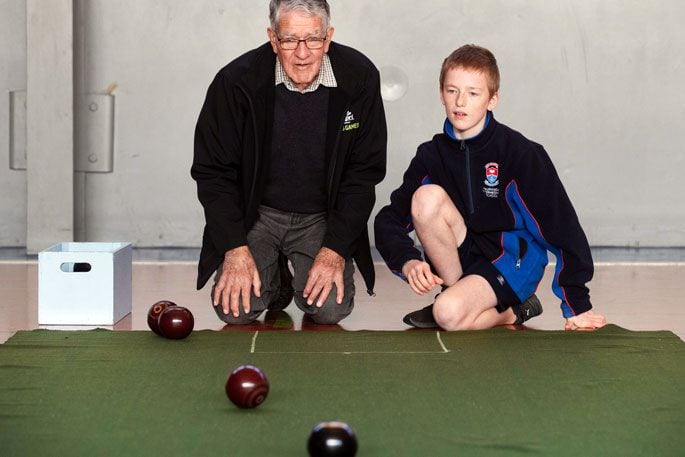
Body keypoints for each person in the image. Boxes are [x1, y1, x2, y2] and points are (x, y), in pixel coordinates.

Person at [374, 44, 606, 331]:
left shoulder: (520, 153)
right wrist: (407, 261)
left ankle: (511, 310)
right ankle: (456, 295)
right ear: (441, 95)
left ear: (492, 99)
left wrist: (576, 303)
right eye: (452, 91)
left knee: (447, 315)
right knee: (425, 197)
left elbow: (562, 227)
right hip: (465, 254)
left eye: (473, 93)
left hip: (512, 259)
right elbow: (388, 219)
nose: (460, 102)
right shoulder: (431, 155)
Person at [191, 0, 386, 325]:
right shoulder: (236, 82)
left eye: (312, 39)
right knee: (233, 311)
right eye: (289, 39)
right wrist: (235, 250)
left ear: (328, 38)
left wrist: (334, 250)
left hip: (320, 218)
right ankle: (276, 278)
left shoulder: (360, 78)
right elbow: (213, 173)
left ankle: (288, 272)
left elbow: (363, 175)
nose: (302, 52)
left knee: (330, 310)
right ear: (272, 38)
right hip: (258, 215)